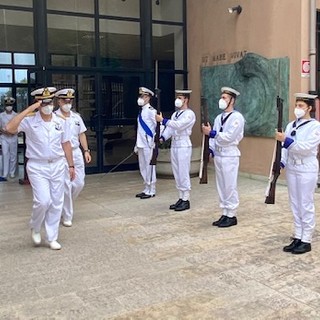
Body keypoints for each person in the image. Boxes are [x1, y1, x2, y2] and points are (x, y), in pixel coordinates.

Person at [5, 87, 75, 250]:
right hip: (37, 166)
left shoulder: (60, 121)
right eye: (43, 103)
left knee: (57, 202)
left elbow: (66, 144)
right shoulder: (29, 121)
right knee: (43, 201)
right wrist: (29, 109)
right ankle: (35, 226)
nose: (47, 105)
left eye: (49, 102)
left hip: (57, 164)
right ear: (37, 104)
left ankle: (52, 237)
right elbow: (9, 128)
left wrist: (71, 165)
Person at [276, 93, 320, 254]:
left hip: (307, 168)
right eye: (296, 105)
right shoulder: (291, 125)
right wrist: (281, 162)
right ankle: (298, 235)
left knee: (305, 203)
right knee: (294, 202)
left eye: (301, 106)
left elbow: (306, 147)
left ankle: (306, 239)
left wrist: (285, 140)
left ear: (309, 108)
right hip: (292, 168)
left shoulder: (315, 126)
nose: (297, 109)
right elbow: (284, 149)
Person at [202, 87, 245, 227]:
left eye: (225, 98)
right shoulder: (218, 117)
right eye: (222, 97)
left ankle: (231, 214)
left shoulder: (237, 117)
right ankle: (225, 212)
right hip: (220, 154)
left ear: (232, 101)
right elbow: (213, 138)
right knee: (221, 185)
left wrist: (212, 133)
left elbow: (229, 137)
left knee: (229, 185)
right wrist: (211, 150)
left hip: (229, 154)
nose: (222, 100)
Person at [55, 88, 91, 227]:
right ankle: (67, 216)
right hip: (62, 154)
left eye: (70, 101)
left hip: (76, 152)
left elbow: (81, 134)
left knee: (79, 183)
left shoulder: (76, 117)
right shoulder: (54, 117)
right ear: (59, 101)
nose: (68, 103)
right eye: (65, 100)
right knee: (66, 185)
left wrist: (86, 150)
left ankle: (63, 206)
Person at [156, 89, 196, 211]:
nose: (177, 100)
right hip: (175, 144)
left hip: (184, 144)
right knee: (177, 172)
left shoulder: (189, 114)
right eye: (177, 97)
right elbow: (171, 129)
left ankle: (186, 199)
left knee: (183, 171)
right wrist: (163, 137)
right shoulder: (175, 114)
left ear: (186, 99)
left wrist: (163, 120)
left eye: (180, 98)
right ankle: (180, 196)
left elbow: (179, 125)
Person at [134, 87, 157, 199]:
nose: (141, 98)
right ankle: (146, 187)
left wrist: (154, 141)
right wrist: (136, 145)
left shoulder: (151, 111)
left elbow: (158, 127)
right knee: (143, 166)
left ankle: (152, 189)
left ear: (148, 97)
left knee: (149, 166)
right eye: (140, 96)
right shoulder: (142, 111)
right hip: (141, 143)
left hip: (148, 144)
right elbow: (139, 130)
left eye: (143, 96)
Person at [0, 97, 18, 181]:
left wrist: (12, 132)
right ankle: (5, 173)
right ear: (5, 106)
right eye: (7, 105)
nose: (9, 106)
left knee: (13, 155)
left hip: (13, 137)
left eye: (10, 105)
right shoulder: (1, 115)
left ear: (12, 106)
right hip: (4, 137)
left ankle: (12, 172)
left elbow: (18, 126)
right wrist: (5, 132)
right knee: (5, 154)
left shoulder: (16, 115)